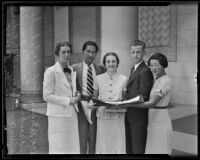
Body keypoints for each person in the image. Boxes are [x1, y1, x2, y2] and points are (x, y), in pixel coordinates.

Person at [123, 53, 173, 154]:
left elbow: (152, 103)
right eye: (151, 65)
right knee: (152, 149)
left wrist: (129, 104)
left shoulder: (166, 81)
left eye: (156, 65)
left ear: (163, 65)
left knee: (160, 148)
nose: (153, 68)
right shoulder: (156, 80)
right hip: (152, 120)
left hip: (161, 120)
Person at [43, 41, 81, 154]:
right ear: (57, 54)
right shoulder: (50, 72)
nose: (66, 55)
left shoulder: (72, 70)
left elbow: (70, 89)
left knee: (72, 147)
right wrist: (70, 100)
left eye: (68, 52)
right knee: (59, 148)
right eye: (63, 52)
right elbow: (46, 96)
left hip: (72, 115)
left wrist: (77, 94)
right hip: (58, 117)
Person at [90, 52, 128, 154]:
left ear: (117, 63)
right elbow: (94, 98)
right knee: (104, 141)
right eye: (108, 61)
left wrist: (120, 104)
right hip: (103, 115)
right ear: (105, 64)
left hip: (117, 116)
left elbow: (124, 99)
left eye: (113, 61)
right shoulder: (98, 78)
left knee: (117, 141)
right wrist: (93, 105)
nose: (111, 64)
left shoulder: (124, 78)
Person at [72, 41, 105, 154]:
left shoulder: (101, 69)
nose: (91, 55)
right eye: (88, 51)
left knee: (93, 137)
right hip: (81, 105)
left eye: (93, 52)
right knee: (82, 137)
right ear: (83, 52)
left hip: (95, 105)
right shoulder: (74, 68)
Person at [125, 40, 154, 154]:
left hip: (138, 117)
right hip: (131, 114)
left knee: (138, 149)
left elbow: (144, 95)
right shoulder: (134, 68)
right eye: (133, 52)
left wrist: (125, 100)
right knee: (130, 148)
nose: (135, 55)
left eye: (138, 52)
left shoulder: (145, 70)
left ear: (144, 52)